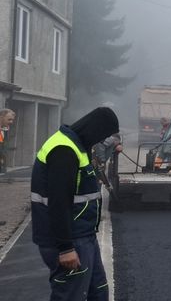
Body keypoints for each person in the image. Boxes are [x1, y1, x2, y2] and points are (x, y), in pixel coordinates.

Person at [30, 107, 119, 301]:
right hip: (69, 240)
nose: (99, 140)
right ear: (95, 129)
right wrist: (65, 248)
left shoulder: (78, 145)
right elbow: (58, 203)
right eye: (102, 135)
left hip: (84, 235)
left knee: (98, 290)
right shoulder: (64, 150)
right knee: (71, 295)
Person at [0, 108, 16, 174]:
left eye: (12, 120)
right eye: (9, 119)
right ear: (1, 117)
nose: (11, 122)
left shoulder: (4, 130)